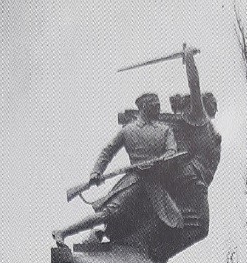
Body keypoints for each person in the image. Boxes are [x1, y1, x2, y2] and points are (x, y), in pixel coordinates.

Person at [52, 93, 183, 248]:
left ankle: (131, 247)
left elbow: (172, 151)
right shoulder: (128, 130)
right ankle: (64, 232)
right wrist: (96, 172)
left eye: (158, 105)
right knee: (108, 213)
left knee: (174, 221)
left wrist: (165, 157)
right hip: (133, 182)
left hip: (155, 184)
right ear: (143, 107)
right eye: (154, 105)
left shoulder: (165, 130)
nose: (158, 108)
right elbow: (107, 151)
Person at [147, 45, 221, 262]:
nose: (217, 106)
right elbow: (194, 84)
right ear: (203, 104)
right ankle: (161, 253)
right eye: (213, 102)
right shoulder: (199, 118)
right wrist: (189, 59)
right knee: (202, 227)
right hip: (191, 178)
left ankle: (160, 249)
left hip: (194, 180)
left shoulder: (208, 129)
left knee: (191, 222)